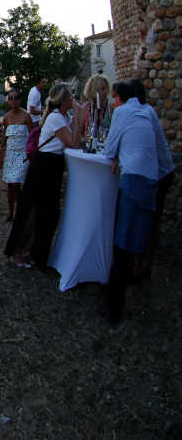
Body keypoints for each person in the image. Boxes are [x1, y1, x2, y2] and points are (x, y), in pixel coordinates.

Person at [3, 83, 84, 268]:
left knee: (46, 213)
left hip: (51, 166)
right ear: (63, 100)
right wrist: (79, 118)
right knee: (33, 211)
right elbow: (73, 142)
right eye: (71, 96)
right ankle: (19, 252)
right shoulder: (56, 119)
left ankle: (35, 253)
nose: (73, 99)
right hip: (44, 166)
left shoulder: (63, 117)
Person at [102, 80, 158, 324]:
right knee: (140, 239)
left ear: (120, 97)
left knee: (121, 245)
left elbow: (109, 148)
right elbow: (160, 147)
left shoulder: (122, 112)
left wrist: (115, 155)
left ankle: (114, 307)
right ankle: (139, 282)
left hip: (133, 178)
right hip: (152, 178)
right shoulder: (150, 111)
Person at [131, 79, 175, 280]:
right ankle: (140, 262)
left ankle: (143, 264)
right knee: (148, 218)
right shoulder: (143, 111)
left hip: (160, 173)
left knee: (150, 219)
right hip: (157, 171)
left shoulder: (144, 113)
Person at [0, 89, 34, 223]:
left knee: (17, 183)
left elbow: (32, 136)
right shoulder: (6, 117)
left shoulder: (26, 116)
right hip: (10, 153)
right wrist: (1, 152)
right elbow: (4, 137)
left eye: (15, 98)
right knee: (9, 184)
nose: (13, 100)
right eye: (10, 98)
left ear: (20, 100)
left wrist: (31, 154)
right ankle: (10, 212)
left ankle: (21, 212)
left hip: (22, 154)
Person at [80, 74, 112, 143]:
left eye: (106, 88)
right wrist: (85, 141)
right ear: (94, 91)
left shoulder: (110, 108)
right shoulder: (86, 108)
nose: (106, 91)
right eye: (103, 89)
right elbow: (79, 132)